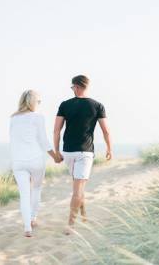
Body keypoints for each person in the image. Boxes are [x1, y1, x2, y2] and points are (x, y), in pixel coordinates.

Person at [53, 75, 112, 235]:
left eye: (73, 87)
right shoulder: (97, 105)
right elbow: (105, 131)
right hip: (85, 153)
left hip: (68, 152)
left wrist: (57, 151)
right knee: (78, 189)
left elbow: (56, 130)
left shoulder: (65, 105)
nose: (73, 90)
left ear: (78, 86)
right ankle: (71, 225)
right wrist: (109, 148)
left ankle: (84, 216)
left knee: (78, 186)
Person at [9, 90, 61, 237]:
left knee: (24, 195)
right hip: (36, 160)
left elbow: (13, 140)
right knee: (36, 189)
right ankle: (33, 218)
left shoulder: (13, 118)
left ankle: (27, 228)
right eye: (38, 101)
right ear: (32, 102)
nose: (39, 104)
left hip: (18, 161)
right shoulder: (38, 117)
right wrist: (55, 156)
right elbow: (43, 141)